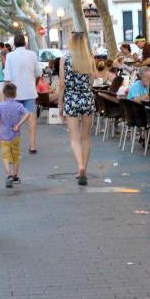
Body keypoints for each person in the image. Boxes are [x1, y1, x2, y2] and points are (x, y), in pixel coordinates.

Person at [58, 32, 97, 185]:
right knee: (86, 137)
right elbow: (92, 82)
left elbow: (62, 84)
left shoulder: (64, 60)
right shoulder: (90, 60)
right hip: (87, 98)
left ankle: (79, 166)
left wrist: (60, 104)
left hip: (71, 99)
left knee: (74, 137)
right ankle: (84, 170)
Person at [0, 82, 27, 189]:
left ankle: (8, 175)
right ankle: (15, 176)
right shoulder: (19, 105)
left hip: (4, 136)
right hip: (15, 136)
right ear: (15, 94)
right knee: (16, 156)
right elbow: (28, 114)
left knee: (5, 156)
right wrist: (18, 124)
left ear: (4, 94)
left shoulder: (0, 106)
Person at [4, 34, 40, 154]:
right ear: (25, 43)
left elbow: (7, 77)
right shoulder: (32, 55)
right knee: (31, 120)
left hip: (15, 93)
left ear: (14, 44)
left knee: (14, 121)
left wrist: (5, 94)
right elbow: (38, 73)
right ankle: (33, 145)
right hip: (30, 92)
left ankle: (13, 145)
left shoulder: (9, 56)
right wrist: (34, 84)